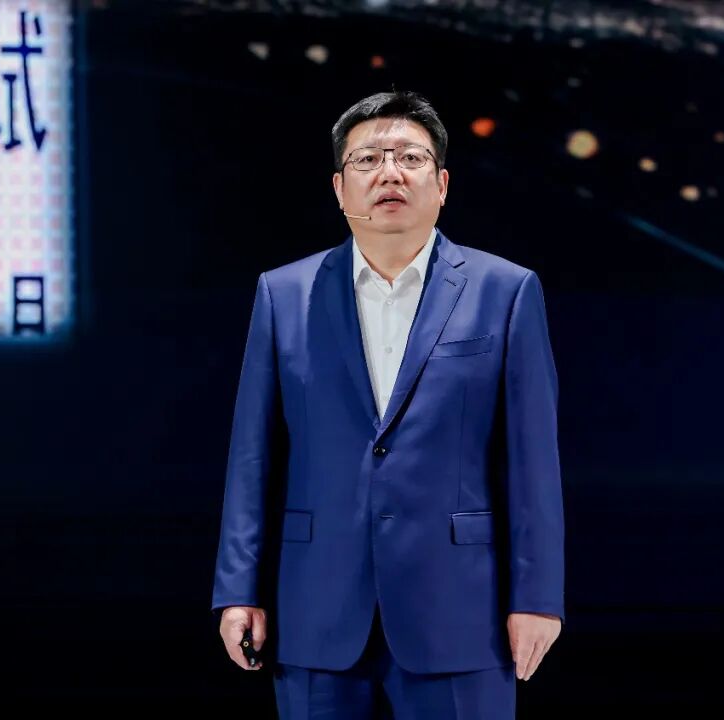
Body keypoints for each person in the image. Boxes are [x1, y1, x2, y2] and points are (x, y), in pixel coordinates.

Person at [211, 90, 564, 719]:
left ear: (442, 184)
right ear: (340, 187)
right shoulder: (284, 294)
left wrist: (537, 597)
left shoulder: (505, 291)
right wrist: (238, 588)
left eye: (410, 157)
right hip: (316, 604)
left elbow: (531, 460)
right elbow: (252, 457)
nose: (390, 172)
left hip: (461, 611)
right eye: (369, 159)